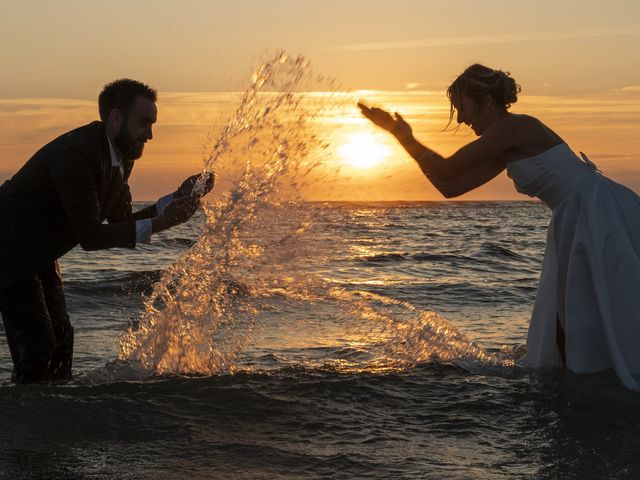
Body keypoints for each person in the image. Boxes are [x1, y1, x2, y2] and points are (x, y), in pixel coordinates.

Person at [359, 64, 640, 390]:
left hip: (595, 211)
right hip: (577, 214)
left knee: (596, 302)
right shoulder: (503, 144)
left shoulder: (515, 127)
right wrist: (402, 139)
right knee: (584, 306)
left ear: (488, 102)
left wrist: (402, 135)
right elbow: (450, 187)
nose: (462, 119)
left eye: (463, 107)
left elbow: (448, 170)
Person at [0, 79, 214, 384]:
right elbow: (89, 235)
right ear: (115, 118)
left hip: (39, 252)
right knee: (38, 347)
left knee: (62, 340)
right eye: (144, 123)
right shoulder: (77, 154)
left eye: (152, 124)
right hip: (7, 248)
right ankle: (24, 425)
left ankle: (54, 417)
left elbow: (119, 220)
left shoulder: (121, 155)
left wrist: (175, 198)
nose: (151, 134)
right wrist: (163, 223)